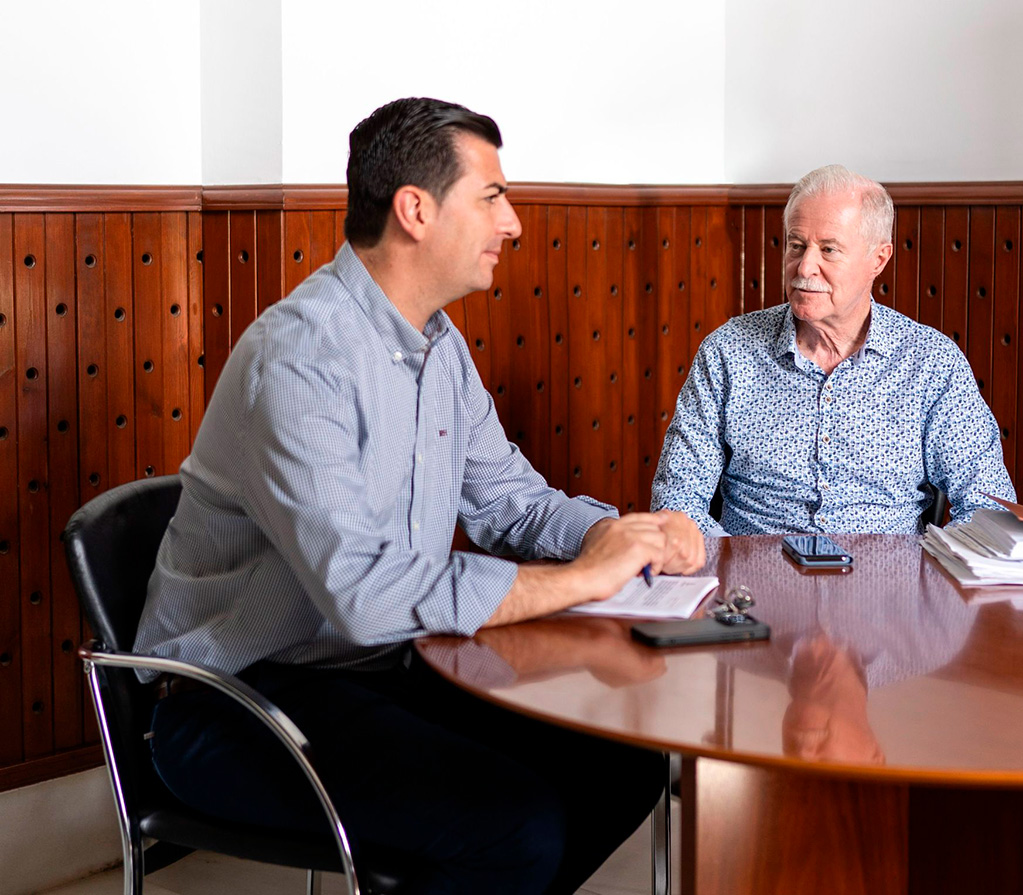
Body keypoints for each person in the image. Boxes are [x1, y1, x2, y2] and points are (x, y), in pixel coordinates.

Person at [133, 97, 704, 895]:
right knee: (517, 827)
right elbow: (364, 595)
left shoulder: (441, 346)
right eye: (494, 197)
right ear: (415, 210)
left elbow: (511, 502)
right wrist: (581, 579)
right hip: (238, 700)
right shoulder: (297, 357)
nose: (512, 225)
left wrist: (632, 535)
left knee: (621, 767)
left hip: (383, 669)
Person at [650, 164, 1016, 535]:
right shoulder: (728, 352)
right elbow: (676, 501)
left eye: (829, 249)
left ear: (879, 259)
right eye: (796, 245)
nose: (805, 266)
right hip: (754, 586)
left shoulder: (931, 363)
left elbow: (989, 509)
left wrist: (927, 575)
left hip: (889, 587)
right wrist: (738, 565)